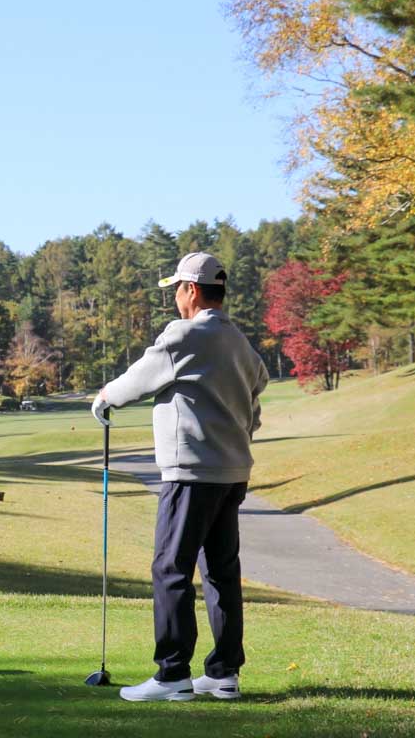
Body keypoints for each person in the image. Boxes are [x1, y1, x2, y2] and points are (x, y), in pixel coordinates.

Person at [91, 252, 268, 702]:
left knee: (171, 568)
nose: (174, 296)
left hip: (190, 471)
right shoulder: (239, 342)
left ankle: (172, 673)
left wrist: (105, 398)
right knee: (220, 572)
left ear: (191, 289)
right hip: (233, 471)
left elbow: (138, 380)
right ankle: (224, 672)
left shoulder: (183, 334)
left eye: (176, 288)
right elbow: (257, 393)